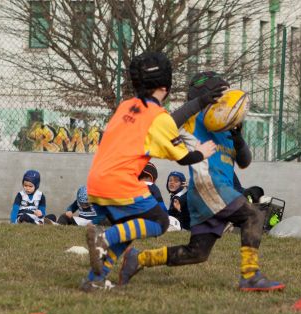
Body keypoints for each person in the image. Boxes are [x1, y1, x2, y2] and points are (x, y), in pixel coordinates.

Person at [118, 71, 285, 292]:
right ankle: (250, 276)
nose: (227, 102)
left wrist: (238, 138)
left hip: (215, 192)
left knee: (197, 253)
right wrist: (199, 103)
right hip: (208, 186)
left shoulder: (224, 127)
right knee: (254, 215)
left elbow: (244, 162)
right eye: (221, 95)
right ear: (208, 96)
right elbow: (167, 123)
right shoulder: (192, 120)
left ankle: (138, 259)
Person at [82, 52, 221, 291]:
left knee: (128, 231)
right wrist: (202, 152)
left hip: (95, 181)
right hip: (120, 182)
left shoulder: (126, 106)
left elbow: (145, 131)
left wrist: (199, 103)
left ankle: (94, 280)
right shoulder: (159, 117)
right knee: (159, 221)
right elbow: (183, 157)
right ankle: (104, 238)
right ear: (165, 87)